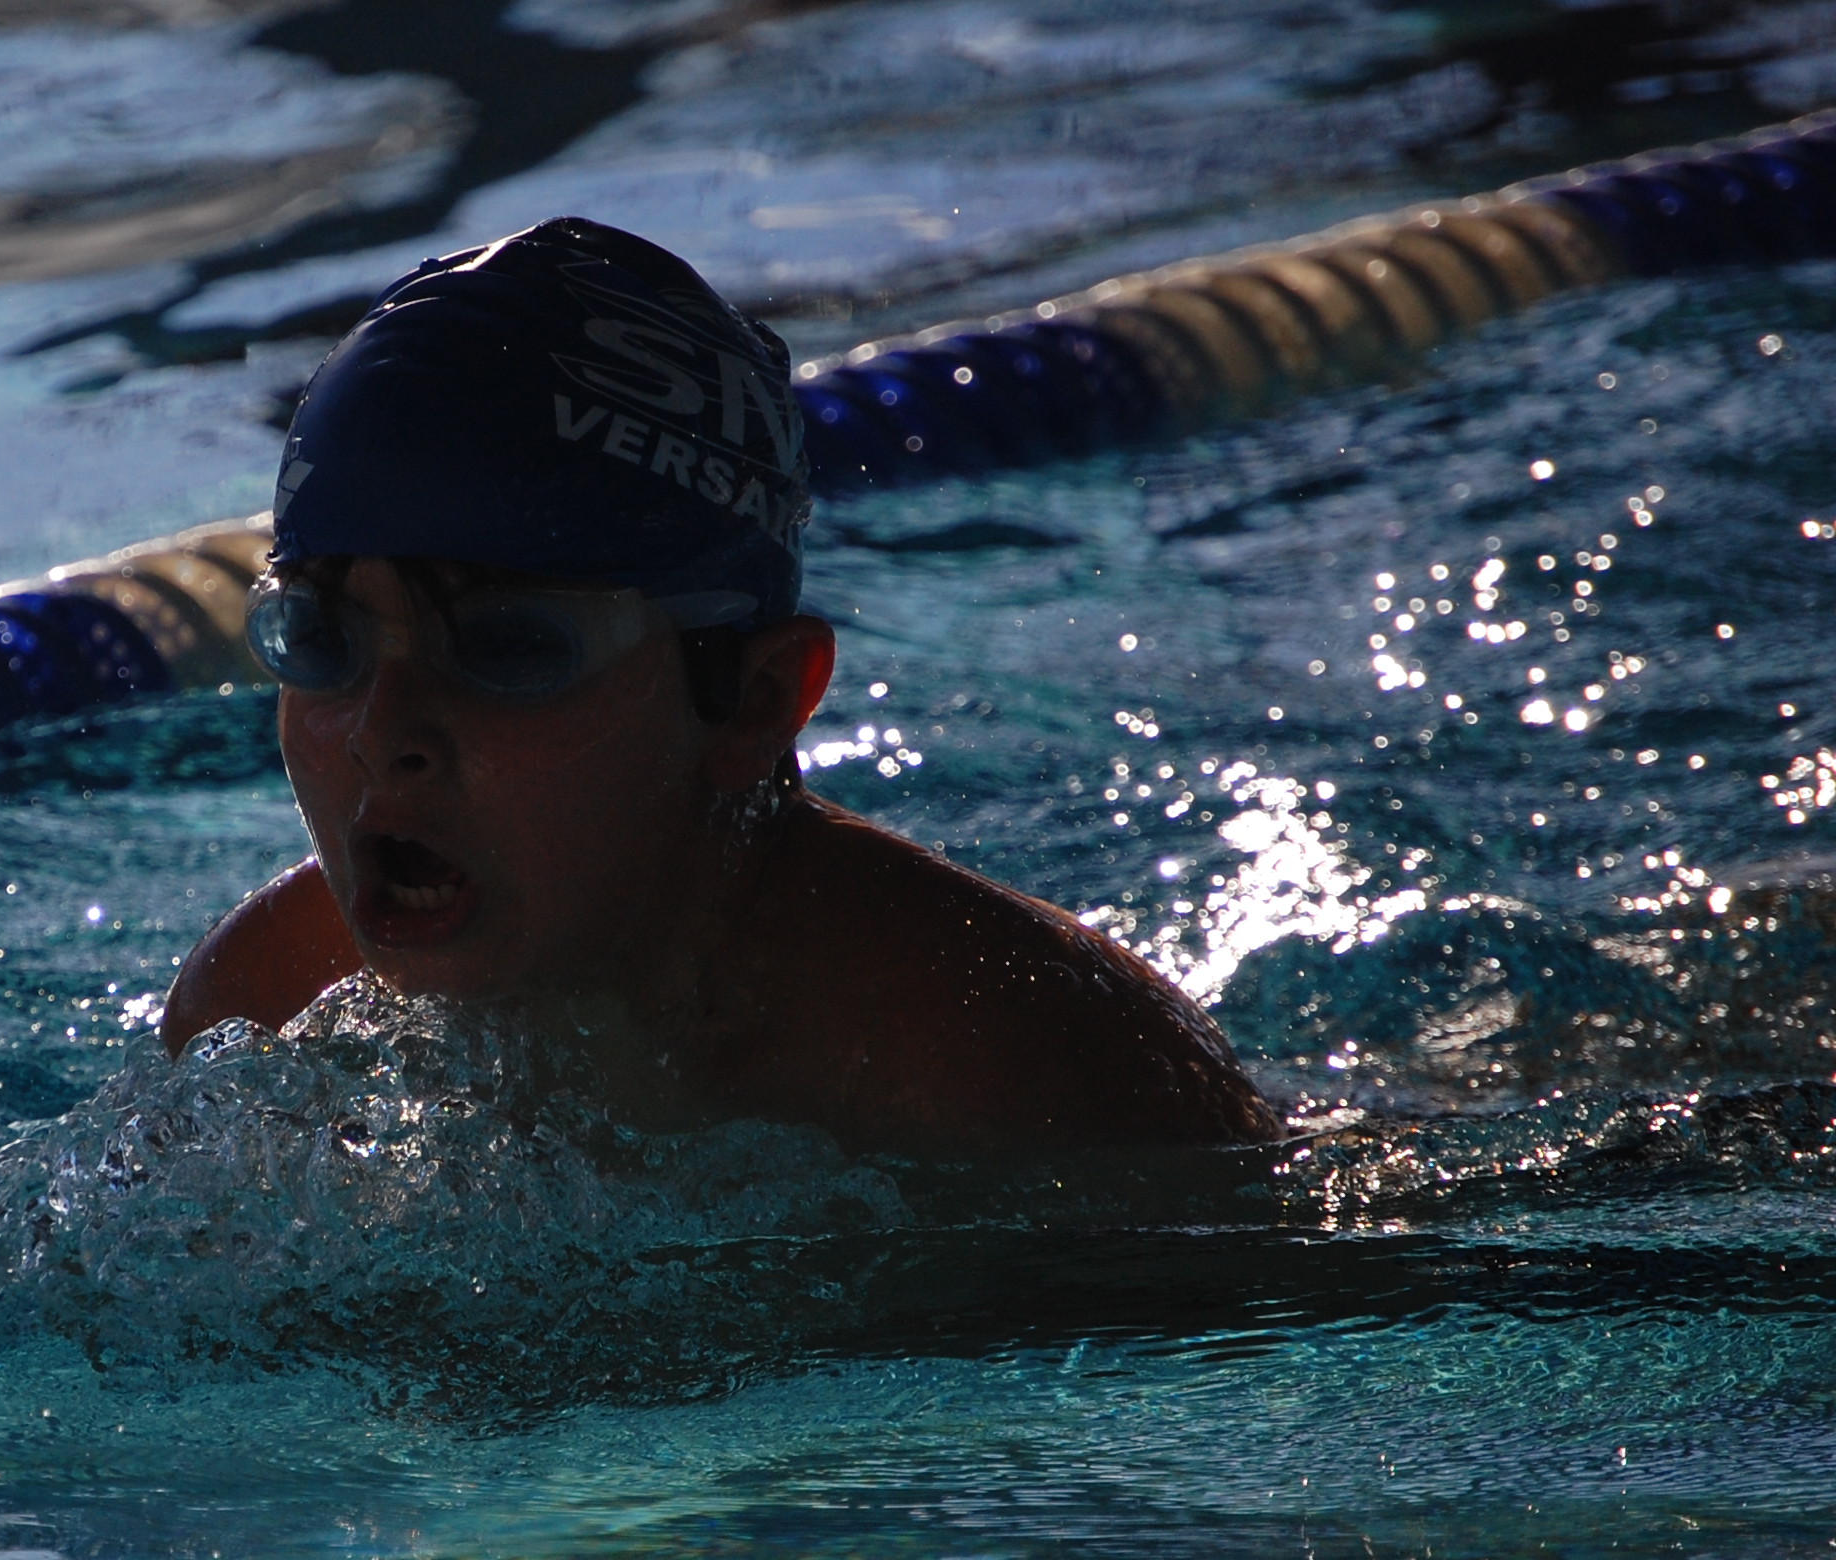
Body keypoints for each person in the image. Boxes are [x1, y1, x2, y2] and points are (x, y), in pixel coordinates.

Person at [159, 218, 1280, 1154]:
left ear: (754, 700)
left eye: (507, 649)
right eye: (323, 638)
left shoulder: (1000, 1067)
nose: (382, 730)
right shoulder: (260, 1016)